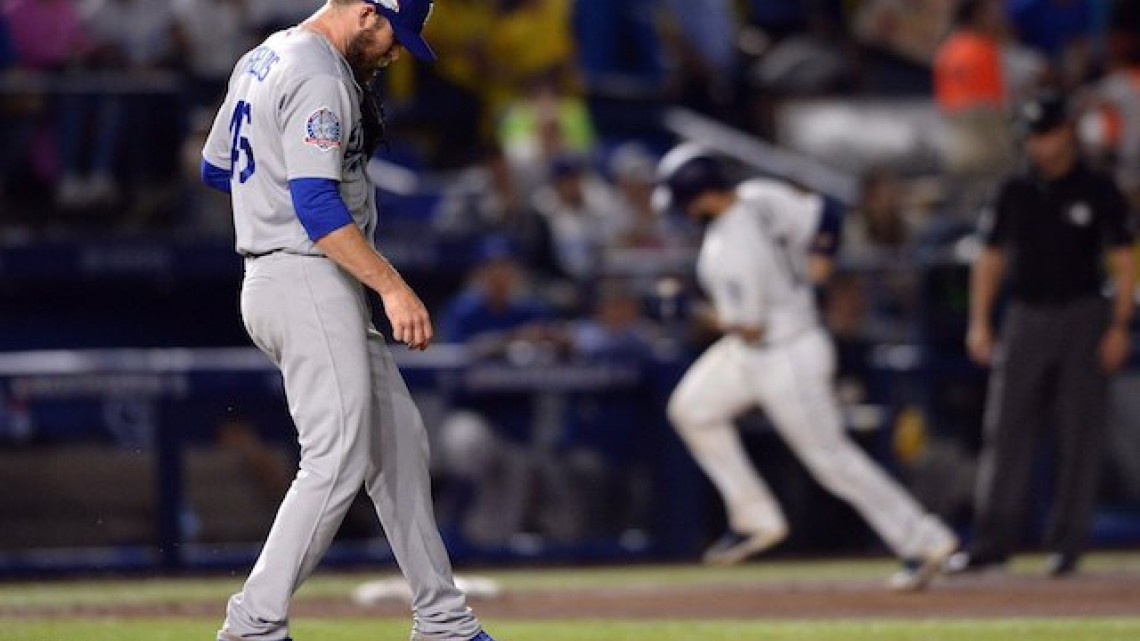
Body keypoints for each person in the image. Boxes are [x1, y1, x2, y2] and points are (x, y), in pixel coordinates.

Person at [198, 2, 497, 640]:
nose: (395, 52)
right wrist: (392, 286)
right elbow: (314, 203)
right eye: (394, 34)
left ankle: (444, 621)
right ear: (366, 11)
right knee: (335, 458)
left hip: (295, 275)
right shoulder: (319, 73)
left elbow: (216, 167)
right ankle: (253, 625)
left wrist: (269, 198)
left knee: (400, 445)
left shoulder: (264, 55)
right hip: (304, 274)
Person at [657, 143, 957, 592]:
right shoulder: (760, 195)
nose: (685, 212)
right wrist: (820, 260)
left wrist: (689, 310)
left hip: (784, 355)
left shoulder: (728, 249)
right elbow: (827, 216)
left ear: (699, 194)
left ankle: (925, 539)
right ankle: (754, 517)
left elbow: (749, 327)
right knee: (692, 409)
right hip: (767, 345)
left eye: (685, 201)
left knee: (833, 460)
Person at [947, 92, 1136, 578]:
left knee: (1079, 433)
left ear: (1066, 131)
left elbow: (1123, 258)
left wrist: (1119, 325)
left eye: (1046, 134)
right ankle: (991, 542)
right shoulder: (1013, 189)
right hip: (1026, 313)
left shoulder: (1097, 187)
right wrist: (980, 321)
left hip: (1083, 313)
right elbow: (990, 256)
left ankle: (1068, 545)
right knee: (1006, 429)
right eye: (1032, 137)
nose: (1039, 145)